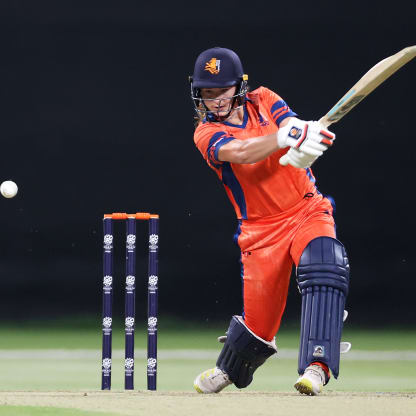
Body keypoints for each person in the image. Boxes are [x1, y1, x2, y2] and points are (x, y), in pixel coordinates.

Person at [189, 47, 350, 396]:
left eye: (223, 90)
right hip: (259, 232)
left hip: (306, 209)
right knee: (259, 328)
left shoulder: (263, 99)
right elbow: (242, 153)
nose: (215, 100)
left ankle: (316, 367)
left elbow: (289, 122)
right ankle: (229, 367)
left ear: (239, 86)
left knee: (325, 264)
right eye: (208, 92)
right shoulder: (204, 134)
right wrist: (283, 140)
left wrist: (306, 140)